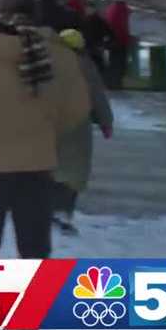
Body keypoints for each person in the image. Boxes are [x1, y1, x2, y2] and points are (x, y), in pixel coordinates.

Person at [0, 0, 89, 259]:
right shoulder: (61, 55)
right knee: (34, 250)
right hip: (38, 164)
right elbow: (78, 107)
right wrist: (48, 129)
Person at [52, 29, 114, 235]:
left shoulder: (47, 61)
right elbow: (97, 96)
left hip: (50, 122)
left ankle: (46, 208)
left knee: (50, 167)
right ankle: (63, 212)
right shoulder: (86, 66)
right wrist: (106, 123)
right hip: (78, 125)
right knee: (74, 171)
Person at [103, 0, 131, 89]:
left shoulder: (110, 8)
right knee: (120, 64)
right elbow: (125, 26)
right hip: (121, 41)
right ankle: (116, 84)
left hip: (111, 41)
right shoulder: (124, 9)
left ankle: (111, 84)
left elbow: (107, 24)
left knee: (113, 63)